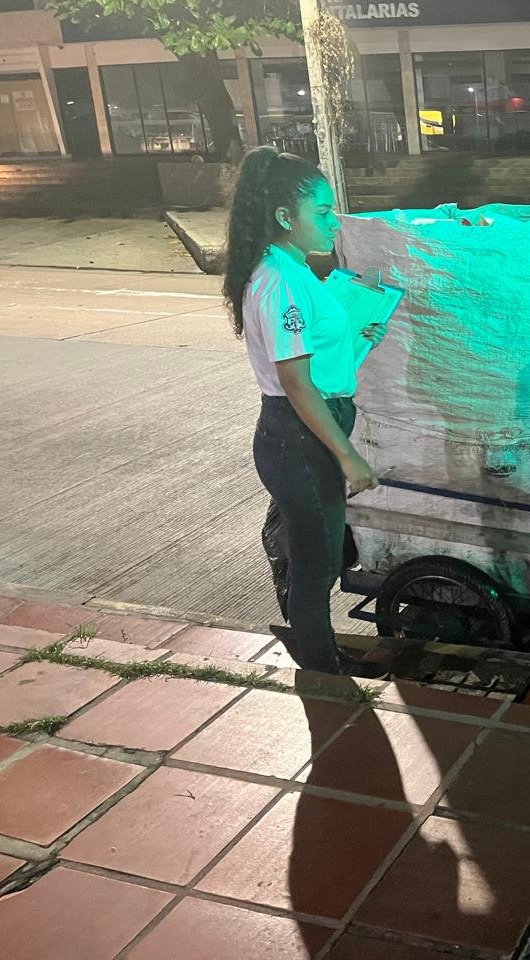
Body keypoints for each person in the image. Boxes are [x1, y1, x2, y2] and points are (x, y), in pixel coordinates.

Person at [222, 147, 388, 678]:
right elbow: (295, 384)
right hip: (299, 436)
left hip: (310, 428)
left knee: (320, 556)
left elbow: (319, 371)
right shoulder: (280, 282)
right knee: (318, 567)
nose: (333, 222)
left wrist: (360, 341)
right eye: (321, 211)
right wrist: (348, 457)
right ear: (284, 216)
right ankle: (322, 670)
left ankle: (317, 649)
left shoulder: (295, 271)